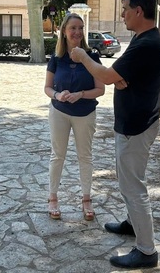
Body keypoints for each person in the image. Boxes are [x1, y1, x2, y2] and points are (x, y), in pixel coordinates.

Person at [70, 0, 160, 269]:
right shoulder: (142, 39)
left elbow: (109, 75)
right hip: (136, 123)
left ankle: (146, 251)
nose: (122, 14)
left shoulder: (146, 43)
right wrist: (116, 77)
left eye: (125, 9)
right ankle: (133, 223)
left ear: (138, 11)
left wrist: (83, 58)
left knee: (133, 187)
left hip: (137, 126)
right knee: (129, 182)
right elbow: (119, 75)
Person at [44, 14, 105, 221]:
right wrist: (57, 95)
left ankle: (86, 199)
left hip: (85, 113)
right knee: (57, 155)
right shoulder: (56, 58)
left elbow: (100, 89)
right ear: (64, 31)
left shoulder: (92, 57)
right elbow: (47, 87)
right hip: (59, 112)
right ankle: (53, 198)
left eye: (80, 27)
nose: (77, 32)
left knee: (85, 156)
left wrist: (81, 94)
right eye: (73, 28)